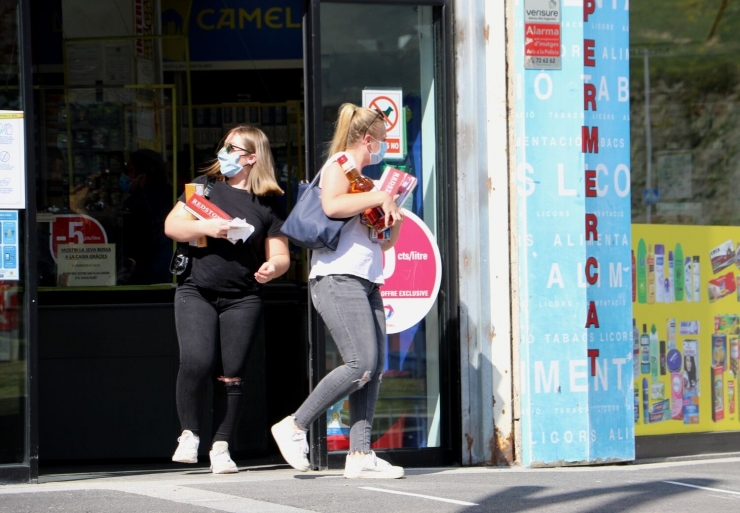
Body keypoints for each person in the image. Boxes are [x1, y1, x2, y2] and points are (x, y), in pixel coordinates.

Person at [271, 103, 405, 479]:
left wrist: (395, 218)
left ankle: (360, 453)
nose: (383, 147)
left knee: (374, 368)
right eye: (381, 140)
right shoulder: (340, 165)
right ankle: (295, 424)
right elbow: (331, 206)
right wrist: (379, 198)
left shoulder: (368, 183)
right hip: (337, 277)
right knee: (360, 362)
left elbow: (384, 243)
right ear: (368, 139)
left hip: (366, 278)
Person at [164, 126, 290, 474]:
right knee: (196, 361)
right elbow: (172, 226)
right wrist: (207, 228)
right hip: (196, 290)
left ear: (252, 157)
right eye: (224, 145)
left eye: (232, 148)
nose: (224, 151)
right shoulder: (203, 189)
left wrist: (272, 269)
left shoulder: (269, 202)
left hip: (243, 297)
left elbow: (280, 255)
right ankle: (189, 433)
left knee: (231, 375)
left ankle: (221, 446)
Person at [119, 149, 173, 285]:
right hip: (170, 273)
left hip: (146, 275)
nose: (125, 177)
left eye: (129, 171)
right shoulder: (173, 195)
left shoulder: (135, 203)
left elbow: (132, 244)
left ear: (142, 176)